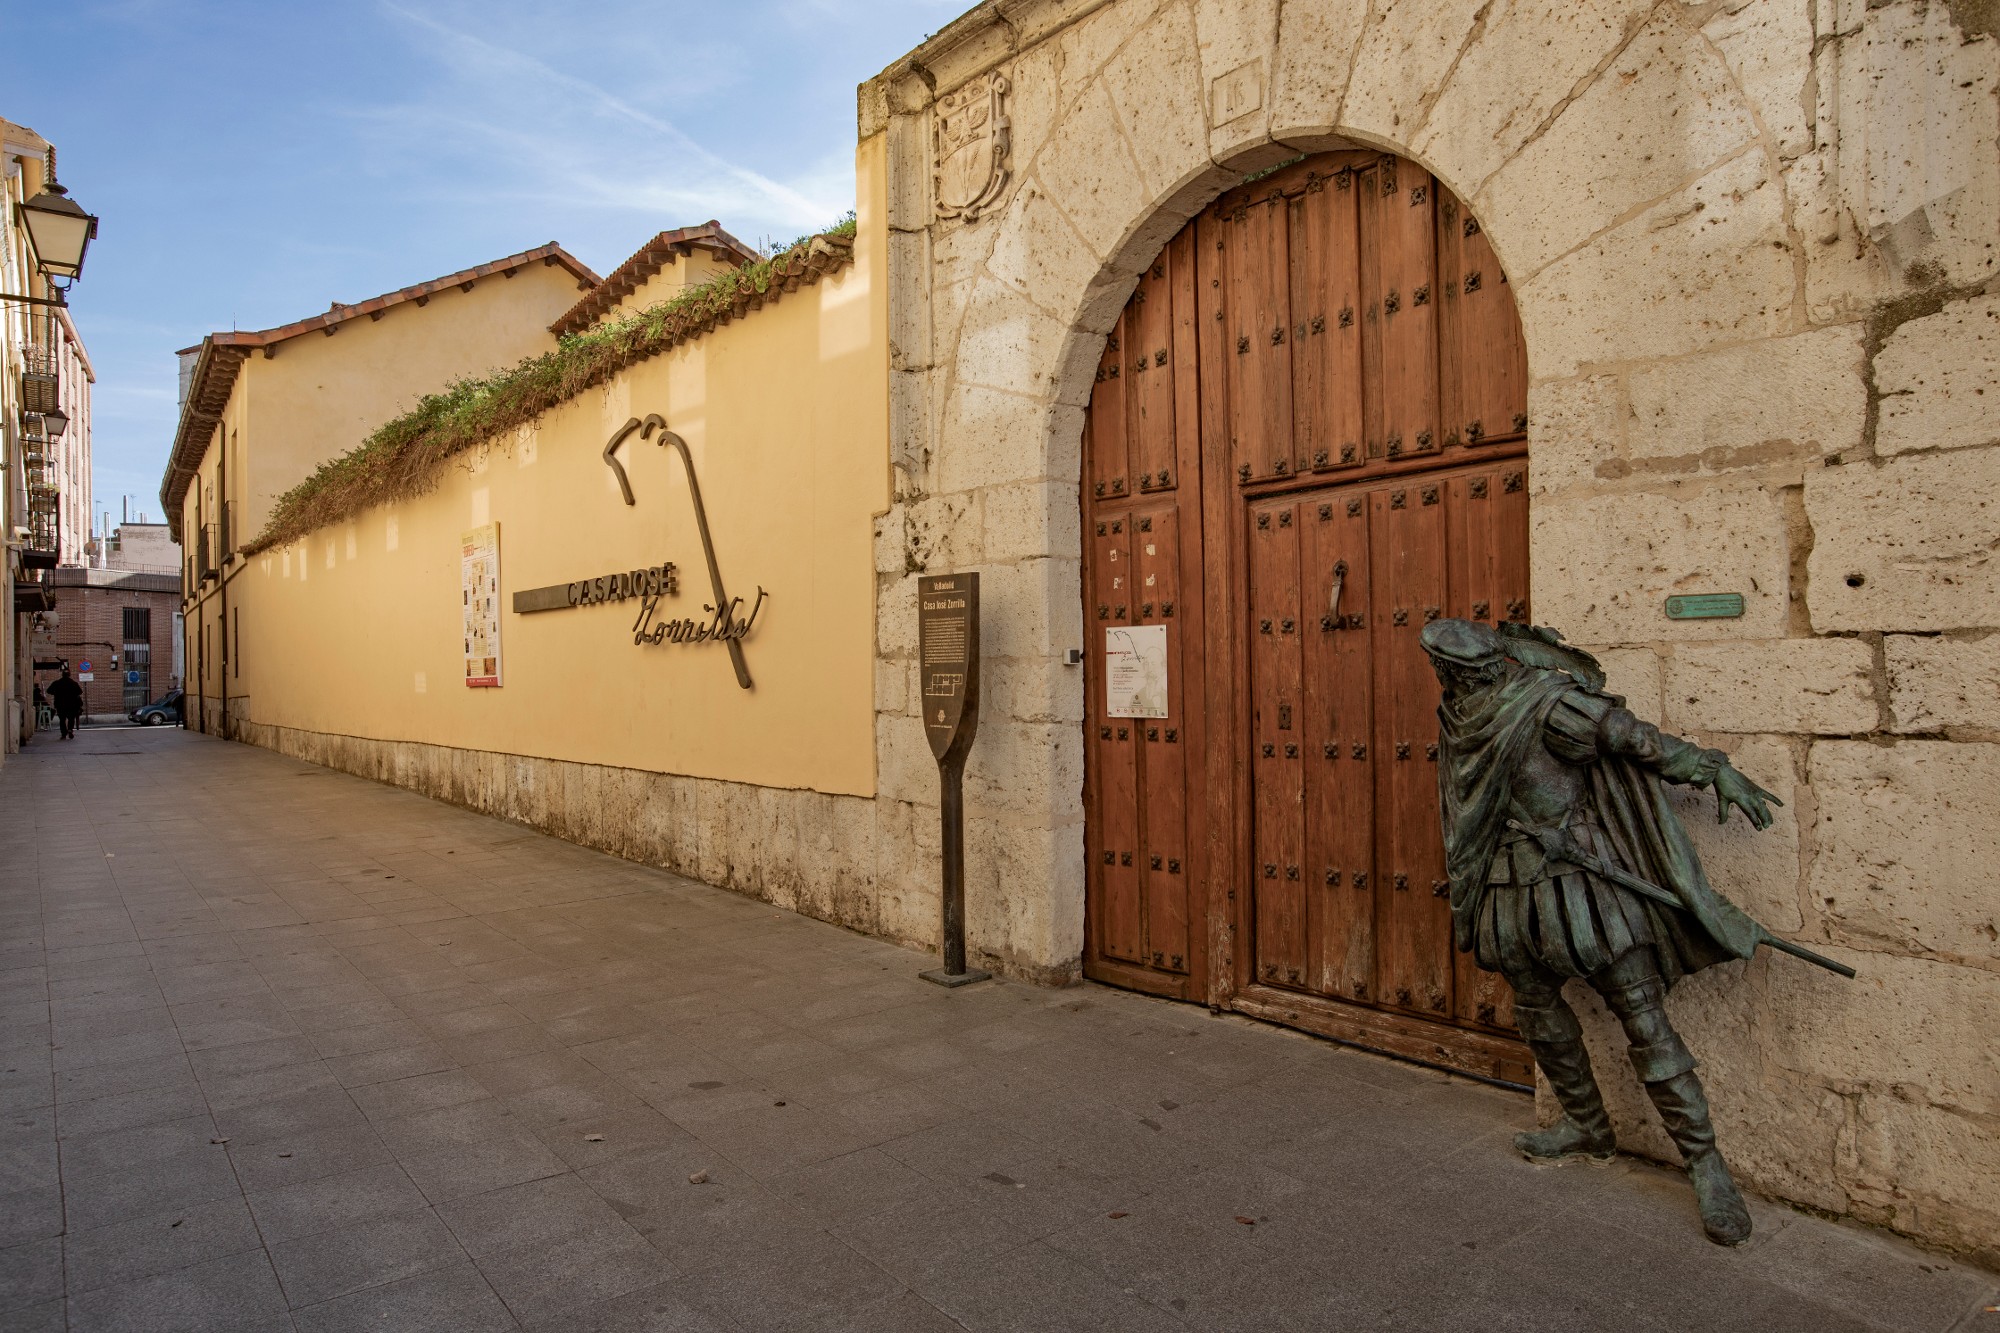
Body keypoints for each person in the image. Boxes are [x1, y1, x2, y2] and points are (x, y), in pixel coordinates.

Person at [1420, 618, 1784, 1247]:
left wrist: (1713, 769)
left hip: (1585, 881)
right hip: (1507, 880)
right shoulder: (1458, 714)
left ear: (1466, 669)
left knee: (1643, 1017)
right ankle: (1586, 1125)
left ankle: (1706, 1164)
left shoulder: (1550, 703)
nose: (1446, 677)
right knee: (1537, 1008)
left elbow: (1635, 739)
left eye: (1449, 669)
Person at [46, 667, 83, 741]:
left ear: (62, 674)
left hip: (60, 704)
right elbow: (80, 692)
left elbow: (48, 690)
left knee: (62, 720)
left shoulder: (57, 683)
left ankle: (63, 734)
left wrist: (55, 693)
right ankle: (70, 730)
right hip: (72, 705)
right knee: (71, 718)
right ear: (69, 675)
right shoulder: (73, 683)